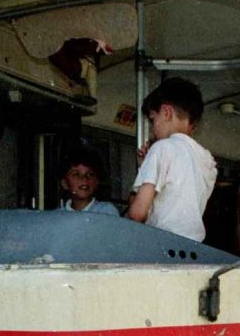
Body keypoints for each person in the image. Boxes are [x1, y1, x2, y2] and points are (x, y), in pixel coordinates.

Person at [127, 77, 217, 242]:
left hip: (162, 246)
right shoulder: (207, 159)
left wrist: (143, 171)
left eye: (153, 120)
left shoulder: (161, 148)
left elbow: (137, 213)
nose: (153, 130)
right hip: (193, 249)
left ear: (166, 112)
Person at [57, 148, 120, 216]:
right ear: (65, 183)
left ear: (97, 182)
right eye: (76, 174)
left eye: (90, 174)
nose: (84, 179)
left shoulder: (106, 211)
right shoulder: (58, 215)